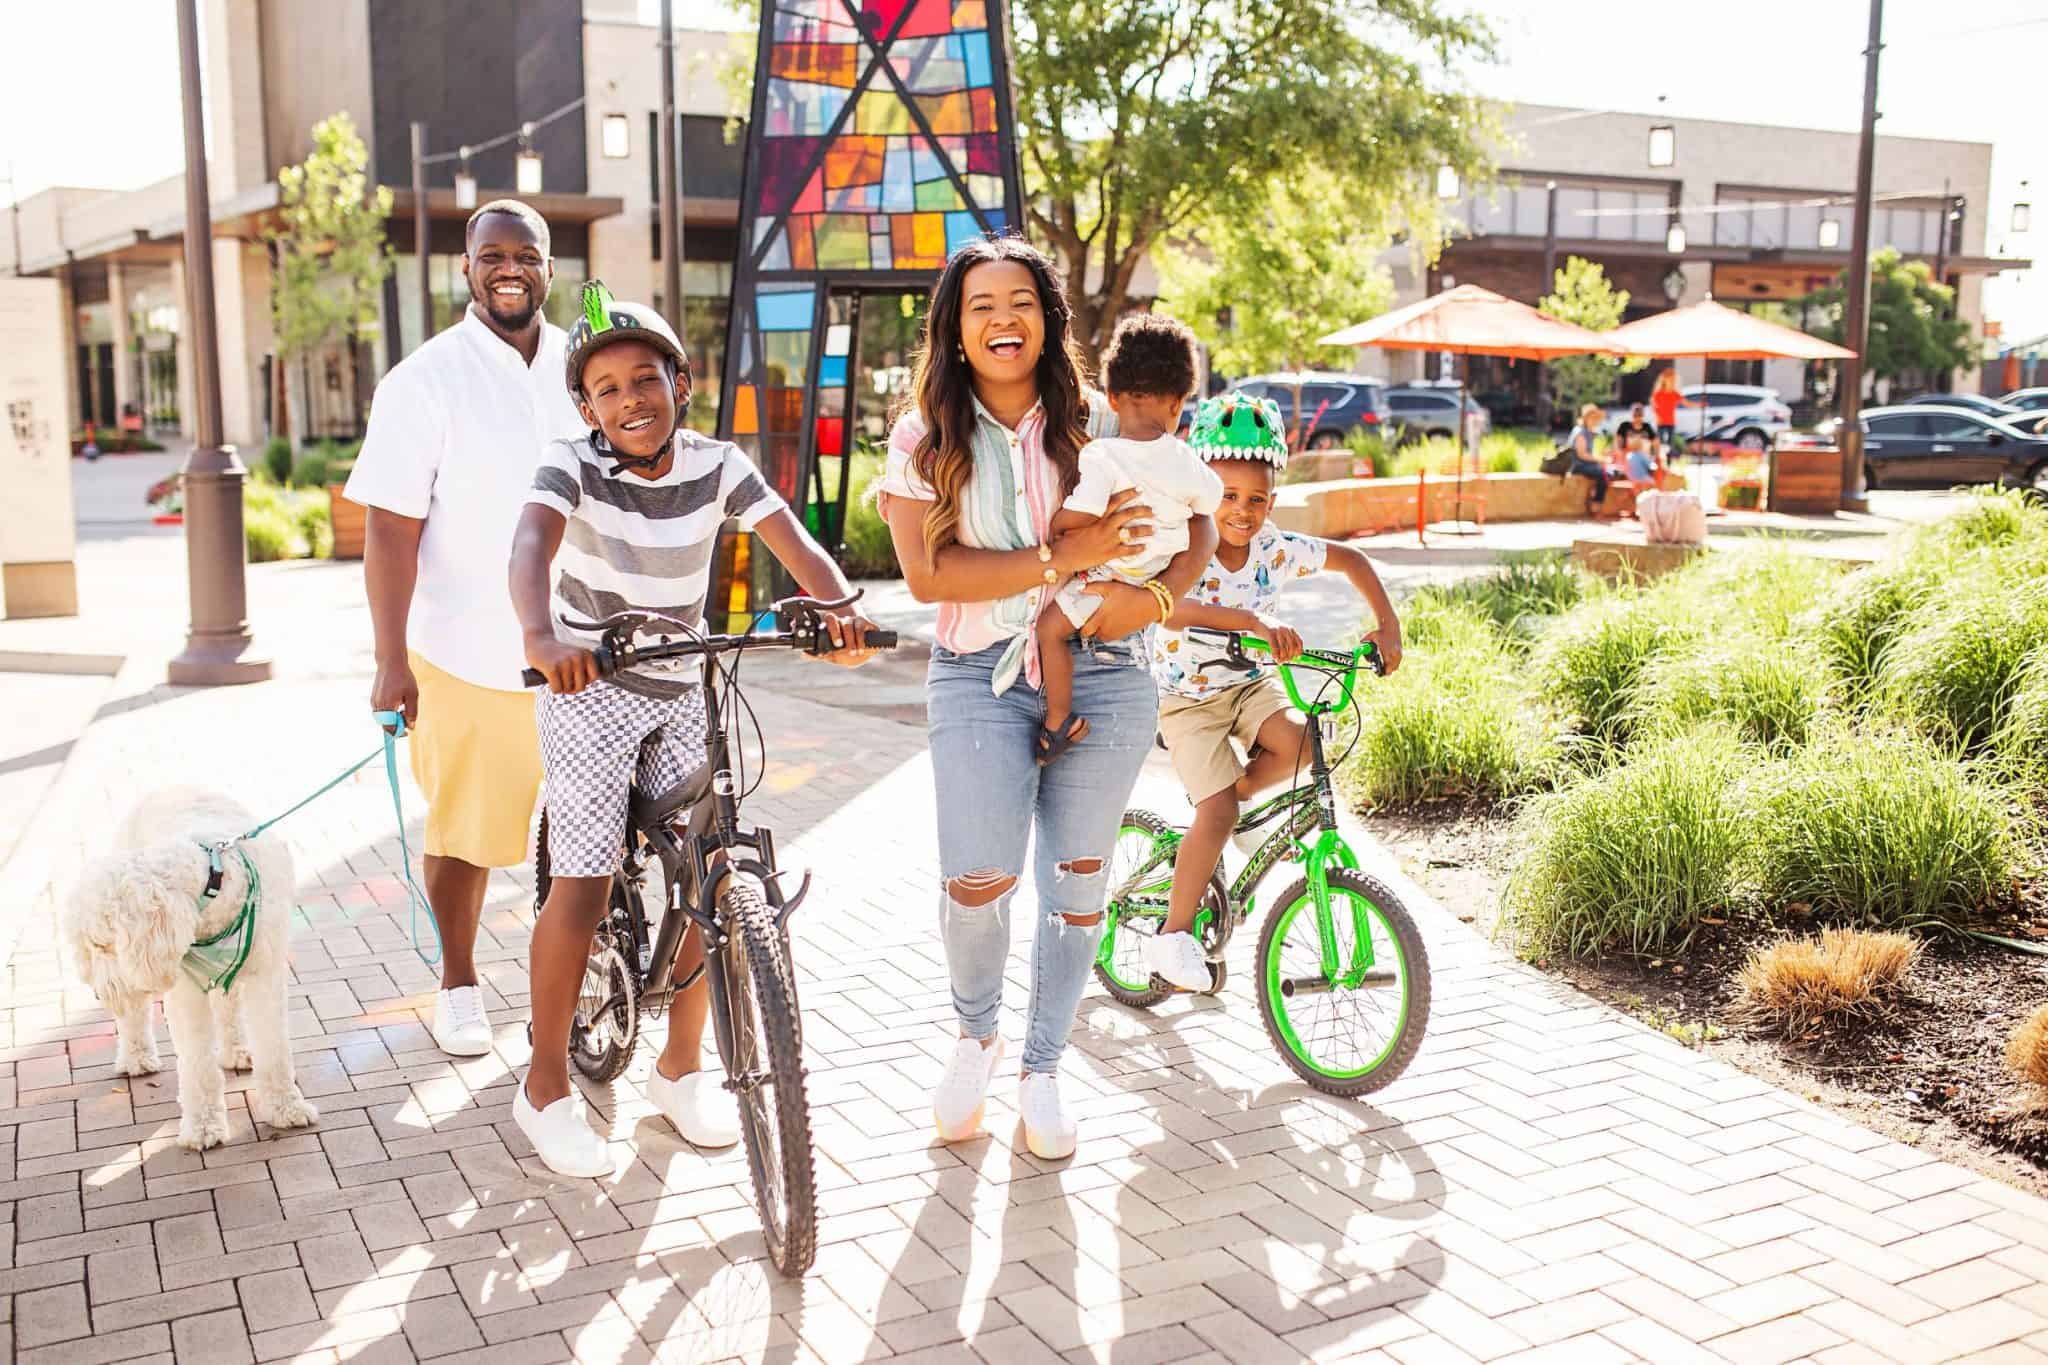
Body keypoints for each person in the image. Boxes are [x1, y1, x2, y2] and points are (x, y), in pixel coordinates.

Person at [507, 283, 878, 1176]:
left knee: (714, 866)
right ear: (587, 408)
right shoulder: (571, 464)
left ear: (681, 380)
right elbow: (528, 547)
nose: (630, 398)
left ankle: (679, 1071)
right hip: (588, 681)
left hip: (680, 680)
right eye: (607, 389)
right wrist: (542, 636)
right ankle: (546, 1087)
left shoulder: (717, 463)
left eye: (647, 378)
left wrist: (839, 608)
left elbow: (792, 537)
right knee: (587, 884)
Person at [877, 237, 1217, 1161]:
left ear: (1048, 319)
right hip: (978, 677)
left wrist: (1150, 598)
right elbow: (925, 574)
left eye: (1020, 301)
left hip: (1108, 675)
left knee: (1076, 889)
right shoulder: (922, 437)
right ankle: (975, 1034)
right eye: (981, 304)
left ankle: (1042, 1068)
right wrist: (1059, 558)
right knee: (977, 877)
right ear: (953, 326)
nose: (1002, 319)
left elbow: (1196, 522)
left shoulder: (1105, 428)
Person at [344, 200, 586, 1058]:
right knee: (468, 831)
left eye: (528, 254)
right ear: (467, 269)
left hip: (585, 650)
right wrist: (388, 661)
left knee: (594, 833)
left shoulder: (583, 362)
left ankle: (577, 991)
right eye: (493, 255)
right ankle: (457, 982)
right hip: (466, 652)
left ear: (551, 269)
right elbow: (389, 532)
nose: (510, 268)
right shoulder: (422, 381)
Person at [1142, 397, 1403, 988]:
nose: (1242, 511)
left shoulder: (1276, 549)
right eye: (1228, 497)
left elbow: (1353, 560)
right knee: (1217, 810)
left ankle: (1234, 813)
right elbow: (1169, 608)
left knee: (1307, 739)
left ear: (1272, 503)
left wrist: (1388, 625)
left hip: (1248, 686)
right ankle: (1172, 937)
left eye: (1256, 499)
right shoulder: (1189, 543)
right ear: (1204, 495)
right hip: (1186, 698)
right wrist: (1251, 625)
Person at [1034, 314, 1220, 765]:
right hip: (1150, 583)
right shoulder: (1187, 460)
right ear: (1179, 404)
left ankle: (1058, 721)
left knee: (1050, 631)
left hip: (1104, 579)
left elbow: (1084, 513)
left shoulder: (1102, 453)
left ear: (1112, 398)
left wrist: (1056, 524)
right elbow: (1210, 504)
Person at [1565, 403, 1613, 516]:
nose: (1596, 421)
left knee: (1611, 473)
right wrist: (1600, 459)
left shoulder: (1590, 432)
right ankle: (1595, 505)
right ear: (1586, 418)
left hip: (1587, 464)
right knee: (1603, 476)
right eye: (1593, 418)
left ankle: (1593, 494)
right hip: (1578, 465)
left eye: (1597, 418)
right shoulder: (1580, 432)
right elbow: (1582, 454)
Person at [1651, 368, 1698, 451]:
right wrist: (1658, 415)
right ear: (1664, 380)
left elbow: (1687, 403)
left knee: (1670, 444)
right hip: (1661, 423)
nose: (1672, 381)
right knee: (1661, 443)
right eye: (1670, 379)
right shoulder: (1658, 393)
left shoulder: (1675, 394)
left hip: (1671, 422)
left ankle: (1668, 461)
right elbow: (1653, 406)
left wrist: (1699, 405)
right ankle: (1660, 459)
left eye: (1673, 380)